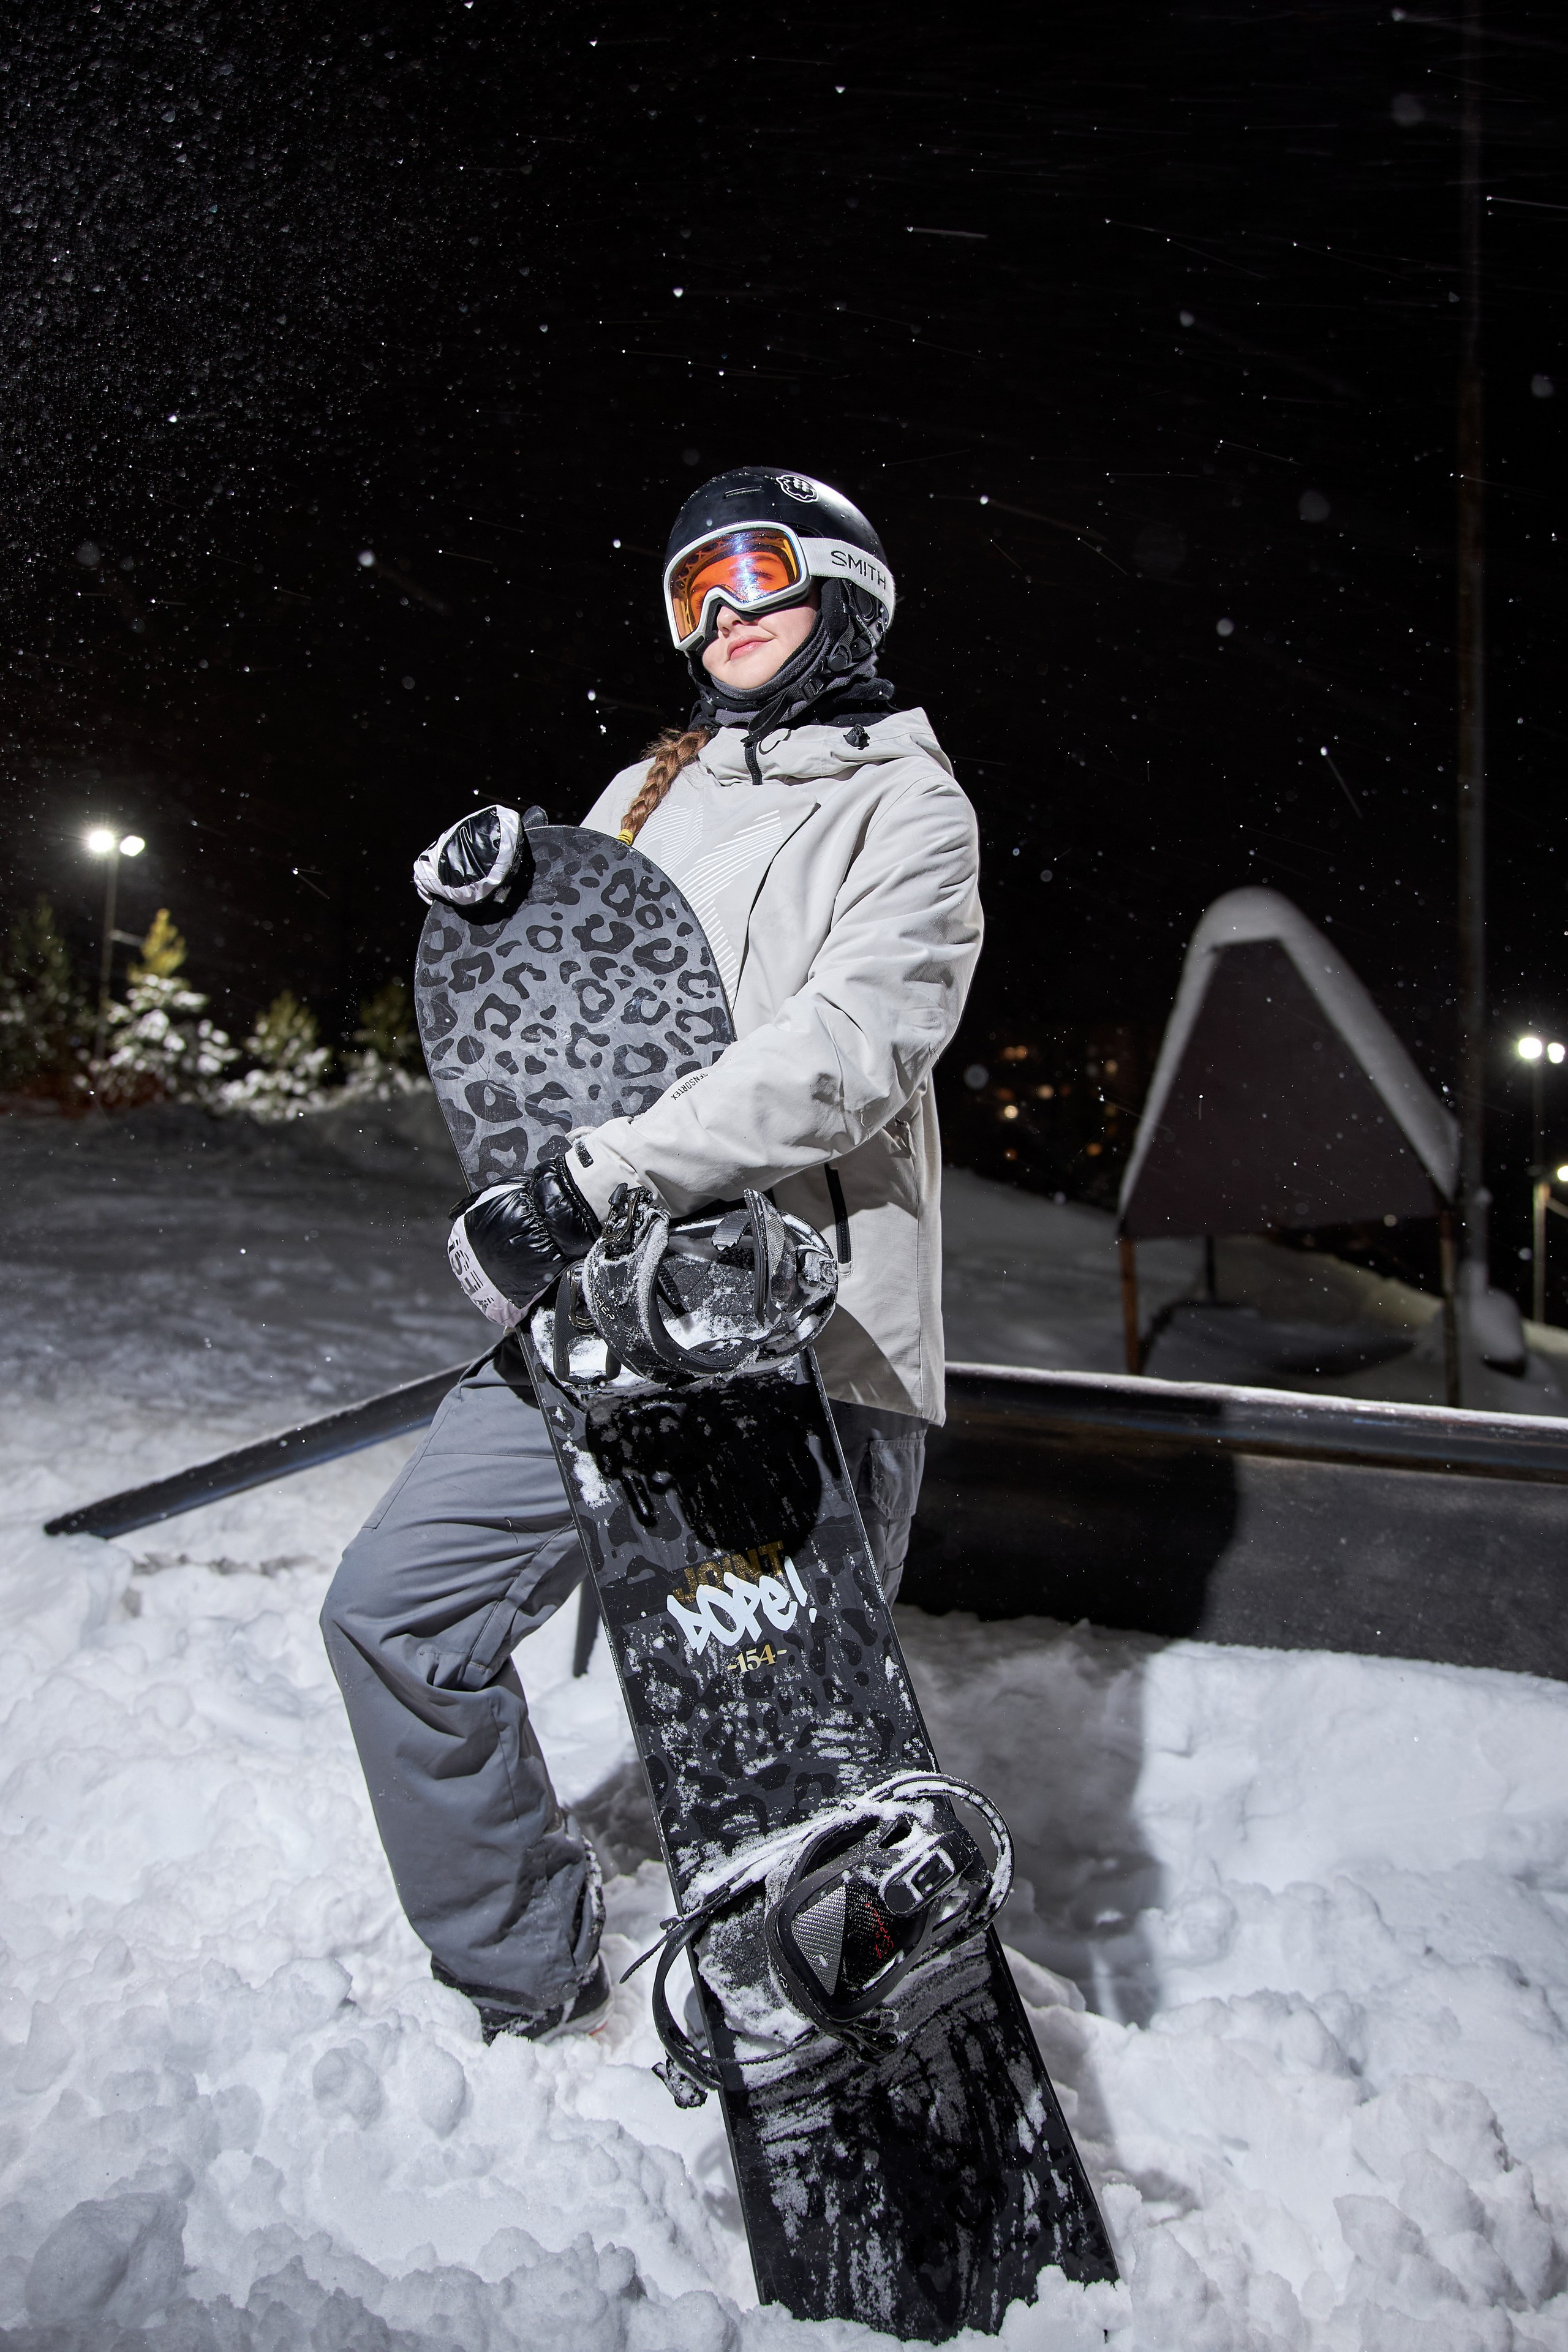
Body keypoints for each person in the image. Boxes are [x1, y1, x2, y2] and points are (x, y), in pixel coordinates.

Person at [320, 467, 984, 2042]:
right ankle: (526, 1977)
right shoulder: (649, 785)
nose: (727, 615)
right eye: (693, 592)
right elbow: (582, 994)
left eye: (756, 575)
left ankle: (831, 2053)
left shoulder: (906, 803)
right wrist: (501, 891)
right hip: (603, 1310)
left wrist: (593, 1182)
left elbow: (850, 1047)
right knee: (397, 1615)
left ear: (843, 590)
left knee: (783, 1729)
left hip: (800, 1325)